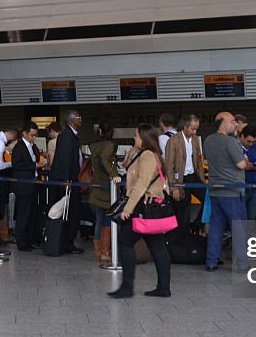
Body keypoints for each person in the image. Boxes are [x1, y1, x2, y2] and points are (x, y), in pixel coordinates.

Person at [109, 124, 173, 298]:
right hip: (151, 205)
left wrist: (128, 209)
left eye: (136, 136)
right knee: (157, 245)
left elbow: (141, 184)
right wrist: (132, 151)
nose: (134, 139)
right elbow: (127, 166)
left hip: (142, 205)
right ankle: (163, 287)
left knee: (125, 242)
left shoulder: (147, 156)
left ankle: (127, 287)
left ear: (144, 138)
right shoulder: (150, 154)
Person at [202, 112, 250, 272]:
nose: (235, 124)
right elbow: (241, 165)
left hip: (215, 190)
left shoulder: (208, 141)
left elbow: (209, 161)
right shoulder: (230, 141)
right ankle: (242, 264)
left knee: (216, 227)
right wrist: (246, 160)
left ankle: (211, 261)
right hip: (233, 191)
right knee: (238, 227)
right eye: (232, 122)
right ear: (222, 124)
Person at [47, 111, 84, 255]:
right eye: (79, 118)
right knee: (71, 211)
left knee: (72, 211)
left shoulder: (71, 135)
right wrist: (67, 180)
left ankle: (68, 242)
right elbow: (66, 158)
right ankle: (67, 242)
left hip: (71, 178)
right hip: (68, 180)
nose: (81, 120)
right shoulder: (67, 136)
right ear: (72, 120)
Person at [162, 114, 203, 231]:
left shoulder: (195, 139)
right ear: (185, 127)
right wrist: (174, 187)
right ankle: (183, 238)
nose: (195, 132)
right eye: (193, 129)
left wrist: (202, 180)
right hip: (180, 179)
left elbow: (199, 160)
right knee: (184, 211)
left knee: (208, 199)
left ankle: (196, 225)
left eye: (196, 129)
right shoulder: (173, 141)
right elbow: (169, 165)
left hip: (194, 176)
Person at [87, 120, 120, 264]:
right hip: (107, 187)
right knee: (107, 220)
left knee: (99, 218)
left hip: (97, 184)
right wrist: (114, 174)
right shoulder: (109, 145)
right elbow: (105, 160)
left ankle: (99, 250)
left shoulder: (94, 146)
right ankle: (105, 251)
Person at [11, 122, 42, 252]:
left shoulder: (33, 146)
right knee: (23, 214)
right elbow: (16, 165)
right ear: (24, 133)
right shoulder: (19, 147)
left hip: (33, 182)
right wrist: (33, 166)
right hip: (24, 185)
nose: (33, 138)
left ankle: (30, 239)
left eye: (35, 135)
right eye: (31, 135)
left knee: (31, 213)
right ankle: (21, 241)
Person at [240, 125, 256, 221]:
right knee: (240, 215)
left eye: (253, 142)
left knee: (252, 215)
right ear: (242, 136)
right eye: (248, 141)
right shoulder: (235, 148)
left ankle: (248, 235)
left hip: (254, 185)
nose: (250, 144)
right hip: (241, 186)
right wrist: (245, 166)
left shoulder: (255, 148)